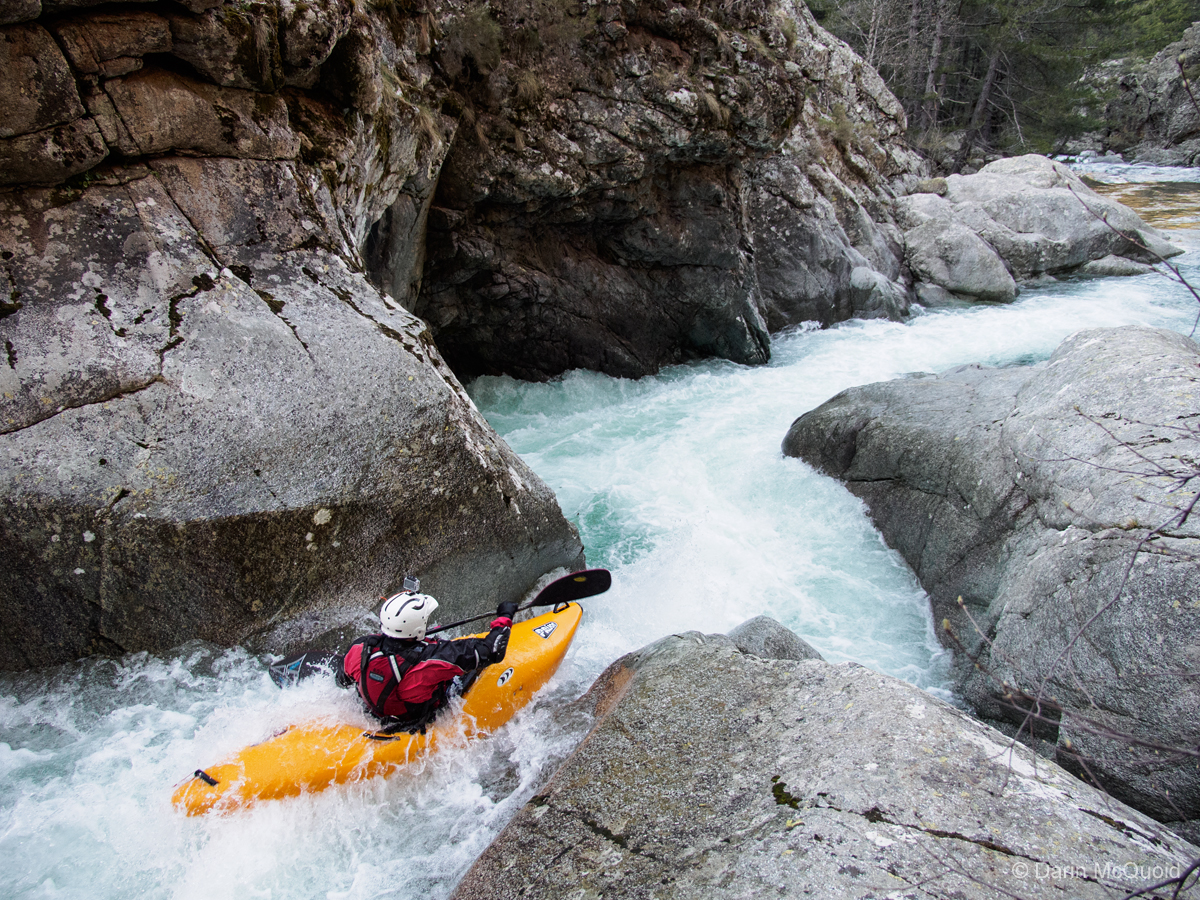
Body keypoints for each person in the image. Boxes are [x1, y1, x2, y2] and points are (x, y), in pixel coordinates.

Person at [336, 588, 519, 734]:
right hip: (417, 717)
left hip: (375, 714)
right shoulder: (429, 661)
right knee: (469, 666)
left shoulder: (360, 648)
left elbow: (342, 681)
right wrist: (505, 616)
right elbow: (493, 650)